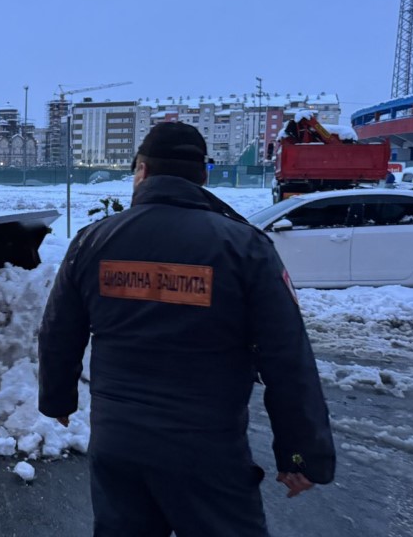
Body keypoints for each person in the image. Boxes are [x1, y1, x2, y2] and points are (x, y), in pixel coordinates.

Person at [37, 122, 335, 536]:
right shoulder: (244, 248)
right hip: (207, 455)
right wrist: (302, 452)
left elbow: (57, 333)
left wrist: (57, 400)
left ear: (141, 171)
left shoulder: (92, 242)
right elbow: (287, 357)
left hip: (116, 448)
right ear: (204, 176)